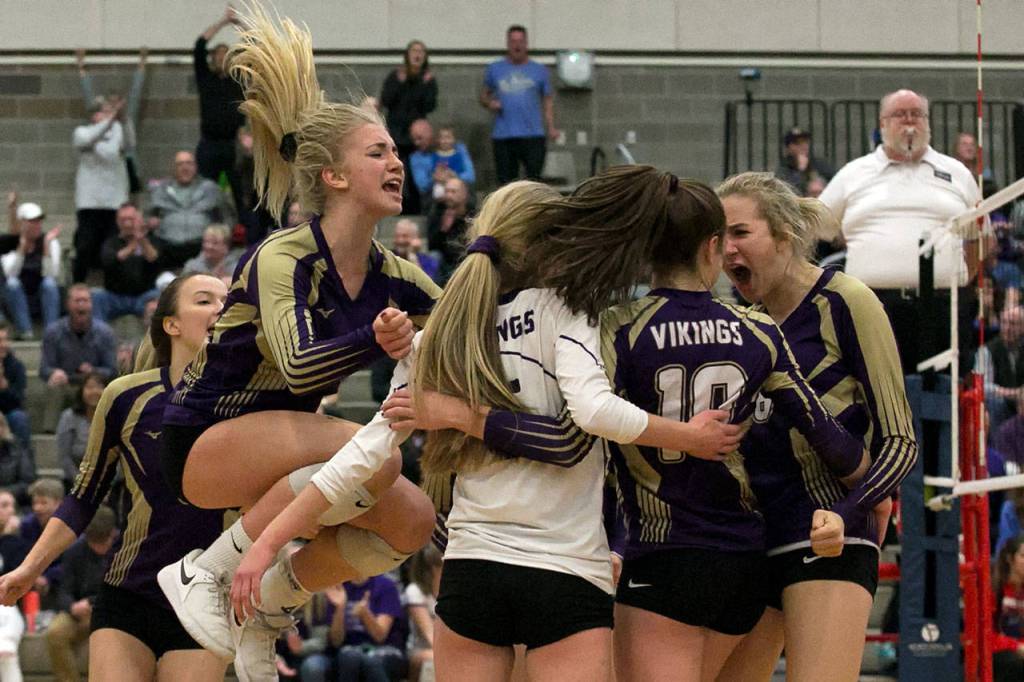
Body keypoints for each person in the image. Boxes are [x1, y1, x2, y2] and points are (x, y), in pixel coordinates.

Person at [255, 171, 741, 682]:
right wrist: (687, 436)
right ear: (551, 243)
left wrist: (267, 544)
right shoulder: (566, 309)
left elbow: (358, 458)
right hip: (566, 570)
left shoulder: (443, 333)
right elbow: (585, 424)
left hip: (473, 570)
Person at [154, 5, 440, 679]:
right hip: (201, 441)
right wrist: (377, 337)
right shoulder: (283, 256)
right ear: (334, 178)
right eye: (378, 152)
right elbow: (301, 359)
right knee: (371, 454)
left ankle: (272, 603)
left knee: (413, 521)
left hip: (283, 450)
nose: (396, 160)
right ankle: (207, 571)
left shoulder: (395, 274)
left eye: (397, 150)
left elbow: (464, 324)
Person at [715, 172, 917, 681]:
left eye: (740, 232)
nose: (727, 250)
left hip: (828, 533)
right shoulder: (740, 322)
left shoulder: (847, 300)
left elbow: (901, 442)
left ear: (783, 233)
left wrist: (849, 511)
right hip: (751, 538)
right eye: (719, 238)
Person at [0, 273, 232, 682]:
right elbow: (83, 496)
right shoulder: (125, 396)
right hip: (130, 590)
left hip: (206, 597)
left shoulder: (248, 402)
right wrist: (29, 569)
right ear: (171, 324)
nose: (219, 308)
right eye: (204, 300)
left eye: (226, 301)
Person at [819, 89, 981, 373]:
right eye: (900, 114)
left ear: (927, 123)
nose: (909, 122)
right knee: (872, 393)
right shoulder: (854, 173)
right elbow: (820, 227)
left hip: (943, 307)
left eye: (916, 114)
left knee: (942, 398)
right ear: (883, 124)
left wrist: (960, 278)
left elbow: (979, 239)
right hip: (871, 305)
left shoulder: (957, 173)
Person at [480, 25, 559, 185]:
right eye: (513, 41)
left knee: (534, 182)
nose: (517, 45)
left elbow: (547, 100)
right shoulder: (495, 69)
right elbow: (483, 95)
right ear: (507, 44)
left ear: (526, 44)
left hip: (533, 135)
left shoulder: (539, 70)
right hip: (504, 136)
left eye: (520, 41)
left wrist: (551, 126)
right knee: (506, 185)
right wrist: (490, 103)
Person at [45, 507, 117, 682]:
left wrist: (92, 602)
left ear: (113, 535)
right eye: (94, 543)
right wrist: (72, 606)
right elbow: (64, 590)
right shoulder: (74, 551)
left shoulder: (123, 550)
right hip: (81, 611)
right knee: (55, 632)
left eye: (103, 543)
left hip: (112, 610)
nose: (99, 548)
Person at [39, 285, 117, 433]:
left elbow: (112, 370)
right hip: (66, 384)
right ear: (68, 304)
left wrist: (93, 372)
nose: (81, 305)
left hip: (95, 386)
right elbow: (44, 369)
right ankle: (49, 432)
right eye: (77, 301)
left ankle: (106, 431)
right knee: (53, 385)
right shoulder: (53, 332)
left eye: (85, 300)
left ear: (91, 304)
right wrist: (54, 372)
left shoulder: (105, 333)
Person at [194, 5, 246, 216]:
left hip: (231, 145)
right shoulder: (206, 78)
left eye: (227, 54)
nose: (222, 58)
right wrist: (223, 22)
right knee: (207, 193)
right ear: (213, 58)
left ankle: (243, 228)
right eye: (218, 54)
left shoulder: (239, 80)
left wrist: (240, 23)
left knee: (239, 191)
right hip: (209, 144)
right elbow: (199, 45)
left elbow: (257, 45)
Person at [77, 48, 147, 198]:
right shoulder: (102, 119)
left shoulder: (126, 117)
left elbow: (136, 92)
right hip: (107, 158)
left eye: (118, 103)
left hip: (126, 156)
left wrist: (141, 64)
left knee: (131, 192)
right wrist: (82, 67)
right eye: (111, 104)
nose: (114, 106)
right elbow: (89, 96)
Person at [73, 97, 128, 284]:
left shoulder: (118, 131)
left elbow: (119, 149)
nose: (107, 117)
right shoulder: (82, 132)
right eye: (103, 112)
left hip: (114, 203)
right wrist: (112, 120)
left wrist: (121, 120)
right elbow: (86, 140)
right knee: (84, 247)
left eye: (109, 112)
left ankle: (111, 287)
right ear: (94, 116)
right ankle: (78, 285)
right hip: (89, 203)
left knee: (111, 249)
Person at [380, 40, 437, 216]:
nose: (417, 54)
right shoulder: (395, 76)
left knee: (415, 174)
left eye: (421, 51)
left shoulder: (428, 79)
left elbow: (430, 106)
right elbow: (386, 100)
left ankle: (415, 209)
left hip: (416, 135)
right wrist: (399, 82)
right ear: (407, 55)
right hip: (396, 131)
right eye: (414, 50)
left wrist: (426, 84)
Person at [146, 151, 230, 269]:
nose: (185, 168)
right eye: (180, 164)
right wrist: (150, 221)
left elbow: (227, 217)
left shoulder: (210, 188)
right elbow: (146, 216)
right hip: (167, 247)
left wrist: (221, 234)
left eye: (189, 163)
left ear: (195, 167)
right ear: (173, 168)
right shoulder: (161, 189)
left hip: (201, 248)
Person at [91, 204, 162, 323]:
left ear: (139, 220)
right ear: (117, 222)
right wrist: (132, 246)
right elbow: (110, 260)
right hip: (115, 296)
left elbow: (154, 258)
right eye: (123, 220)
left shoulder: (152, 240)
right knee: (97, 296)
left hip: (144, 296)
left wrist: (142, 241)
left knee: (159, 299)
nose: (127, 224)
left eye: (131, 219)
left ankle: (155, 340)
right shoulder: (111, 242)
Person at [3, 202, 61, 340]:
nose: (37, 225)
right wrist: (21, 251)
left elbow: (53, 274)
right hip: (16, 298)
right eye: (32, 221)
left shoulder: (51, 241)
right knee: (11, 283)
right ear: (21, 223)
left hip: (40, 294)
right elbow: (10, 274)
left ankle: (51, 334)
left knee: (50, 283)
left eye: (38, 221)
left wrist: (46, 248)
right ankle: (25, 331)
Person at [55, 373, 107, 492]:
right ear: (81, 391)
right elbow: (65, 457)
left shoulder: (116, 416)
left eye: (99, 387)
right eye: (89, 387)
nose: (94, 391)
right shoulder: (68, 417)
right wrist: (82, 483)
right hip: (75, 480)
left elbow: (121, 457)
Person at [405, 545, 442, 682]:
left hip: (446, 647)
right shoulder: (415, 591)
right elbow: (431, 636)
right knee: (436, 658)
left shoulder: (452, 593)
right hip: (420, 650)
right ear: (433, 568)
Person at [426, 177, 473, 284]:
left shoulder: (472, 214)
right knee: (434, 256)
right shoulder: (438, 211)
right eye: (446, 191)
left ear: (464, 194)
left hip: (463, 260)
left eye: (453, 192)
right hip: (444, 260)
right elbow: (431, 246)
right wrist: (444, 229)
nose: (448, 195)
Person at [993, 537, 1024, 682]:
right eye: (1023, 556)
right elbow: (984, 634)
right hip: (997, 652)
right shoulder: (993, 588)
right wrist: (1016, 646)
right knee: (1013, 663)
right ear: (1010, 559)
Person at [774, 127, 834, 198]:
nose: (803, 146)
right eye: (797, 143)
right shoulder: (784, 169)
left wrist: (821, 184)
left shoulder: (818, 164)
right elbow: (787, 191)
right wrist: (801, 171)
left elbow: (835, 179)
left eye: (805, 142)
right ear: (789, 148)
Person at [0, 322, 31, 450]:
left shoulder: (16, 367)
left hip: (9, 413)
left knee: (20, 418)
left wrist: (5, 388)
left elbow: (19, 400)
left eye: (5, 340)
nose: (3, 345)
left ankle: (23, 464)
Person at [0, 413, 34, 509]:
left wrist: (3, 493)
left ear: (4, 428)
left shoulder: (18, 449)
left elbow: (27, 483)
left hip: (12, 503)